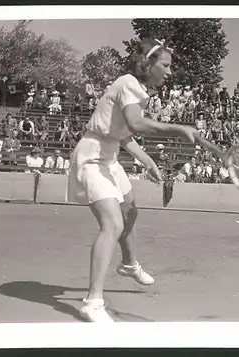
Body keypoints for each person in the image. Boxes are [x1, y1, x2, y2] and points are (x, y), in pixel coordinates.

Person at [66, 38, 197, 322]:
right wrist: (177, 128)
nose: (169, 71)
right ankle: (92, 302)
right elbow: (136, 124)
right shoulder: (128, 83)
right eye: (165, 65)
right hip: (92, 157)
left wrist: (147, 160)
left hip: (110, 157)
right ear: (148, 64)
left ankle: (129, 264)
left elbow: (123, 133)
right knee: (112, 224)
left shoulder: (134, 89)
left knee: (129, 212)